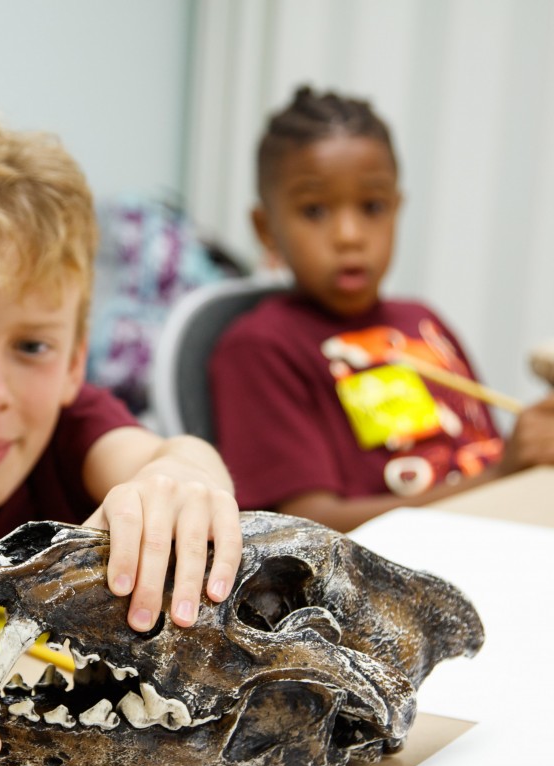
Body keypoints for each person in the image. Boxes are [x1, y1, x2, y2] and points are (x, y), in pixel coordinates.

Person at [0, 98, 242, 766]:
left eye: (32, 345)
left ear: (72, 362)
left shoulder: (70, 432)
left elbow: (169, 460)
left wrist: (184, 472)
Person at [210, 86, 554, 533]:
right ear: (266, 228)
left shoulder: (422, 322)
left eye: (372, 207)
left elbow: (475, 457)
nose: (350, 235)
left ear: (396, 209)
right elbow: (306, 527)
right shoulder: (260, 349)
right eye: (314, 211)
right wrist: (500, 475)